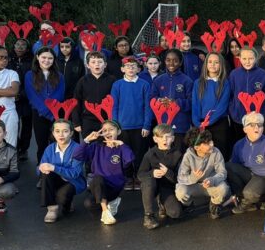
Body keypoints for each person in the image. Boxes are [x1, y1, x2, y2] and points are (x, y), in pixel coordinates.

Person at [75, 118, 135, 225]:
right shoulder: (96, 147)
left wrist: (121, 144)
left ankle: (108, 207)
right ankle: (106, 210)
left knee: (98, 180)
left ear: (119, 132)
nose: (107, 132)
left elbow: (130, 159)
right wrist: (87, 140)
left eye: (111, 129)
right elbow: (77, 155)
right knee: (89, 203)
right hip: (98, 186)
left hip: (114, 188)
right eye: (104, 130)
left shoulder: (121, 148)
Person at [111, 56, 154, 190]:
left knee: (139, 154)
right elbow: (114, 106)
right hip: (122, 127)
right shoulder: (117, 85)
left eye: (133, 66)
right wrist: (115, 126)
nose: (130, 68)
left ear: (139, 69)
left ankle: (139, 176)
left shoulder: (144, 84)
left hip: (140, 126)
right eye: (128, 66)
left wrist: (147, 125)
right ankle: (128, 177)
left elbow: (148, 106)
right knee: (125, 153)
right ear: (122, 69)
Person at [176, 124, 231, 220]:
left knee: (223, 188)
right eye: (207, 143)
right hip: (195, 186)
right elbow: (181, 177)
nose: (212, 144)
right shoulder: (188, 156)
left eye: (211, 141)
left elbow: (222, 172)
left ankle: (214, 204)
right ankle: (189, 204)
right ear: (197, 147)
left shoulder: (216, 152)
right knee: (180, 192)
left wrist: (212, 180)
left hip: (210, 184)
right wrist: (193, 177)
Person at [36, 117, 85, 223]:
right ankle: (52, 208)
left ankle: (67, 202)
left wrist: (54, 167)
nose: (61, 135)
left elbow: (75, 173)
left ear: (71, 133)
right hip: (55, 180)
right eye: (57, 131)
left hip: (73, 181)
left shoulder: (77, 149)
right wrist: (41, 168)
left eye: (65, 131)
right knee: (45, 173)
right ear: (53, 133)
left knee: (62, 197)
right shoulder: (49, 148)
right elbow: (39, 169)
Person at [138, 122, 184, 230]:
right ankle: (148, 216)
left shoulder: (177, 154)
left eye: (168, 137)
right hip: (151, 186)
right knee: (149, 181)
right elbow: (140, 174)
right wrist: (152, 173)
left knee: (175, 213)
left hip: (167, 187)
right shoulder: (150, 154)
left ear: (172, 138)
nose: (164, 140)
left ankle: (162, 203)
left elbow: (180, 178)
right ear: (155, 139)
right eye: (161, 137)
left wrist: (167, 172)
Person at [23, 47, 65, 164]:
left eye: (50, 58)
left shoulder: (59, 76)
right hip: (39, 114)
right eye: (44, 57)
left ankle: (56, 170)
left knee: (56, 144)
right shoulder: (29, 75)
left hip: (55, 114)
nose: (47, 60)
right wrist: (45, 111)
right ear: (37, 57)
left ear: (54, 60)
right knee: (41, 144)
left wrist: (51, 111)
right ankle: (42, 171)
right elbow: (32, 96)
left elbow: (60, 95)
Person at [227, 112, 265, 213]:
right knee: (228, 167)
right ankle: (248, 200)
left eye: (260, 124)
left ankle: (254, 201)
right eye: (252, 125)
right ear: (245, 129)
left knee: (250, 192)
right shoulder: (239, 145)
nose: (256, 127)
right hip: (251, 174)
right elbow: (235, 165)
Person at [226, 47, 265, 144]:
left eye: (250, 58)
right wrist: (232, 110)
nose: (247, 62)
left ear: (255, 58)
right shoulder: (234, 74)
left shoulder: (263, 74)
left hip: (258, 118)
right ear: (240, 58)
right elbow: (229, 94)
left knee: (258, 143)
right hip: (238, 117)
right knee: (240, 143)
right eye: (244, 59)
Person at [192, 52, 232, 156]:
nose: (212, 65)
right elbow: (195, 104)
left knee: (219, 153)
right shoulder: (198, 83)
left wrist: (209, 121)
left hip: (218, 123)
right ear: (205, 64)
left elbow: (222, 106)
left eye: (216, 62)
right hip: (201, 124)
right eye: (210, 62)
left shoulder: (225, 83)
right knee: (202, 154)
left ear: (221, 65)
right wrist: (197, 122)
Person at [71, 51, 116, 138]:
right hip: (88, 120)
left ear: (105, 64)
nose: (97, 64)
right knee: (90, 145)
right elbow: (76, 101)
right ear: (88, 65)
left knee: (106, 145)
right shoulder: (82, 81)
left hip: (108, 120)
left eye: (100, 62)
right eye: (93, 62)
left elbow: (116, 100)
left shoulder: (112, 80)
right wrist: (76, 122)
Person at [153, 49, 195, 136]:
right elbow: (151, 98)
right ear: (164, 61)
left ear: (180, 63)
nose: (171, 63)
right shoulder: (158, 80)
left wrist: (176, 102)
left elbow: (192, 102)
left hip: (181, 125)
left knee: (179, 149)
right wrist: (159, 100)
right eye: (168, 60)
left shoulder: (187, 81)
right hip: (162, 125)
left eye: (175, 61)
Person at [6, 39, 33, 160]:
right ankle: (15, 147)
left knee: (27, 125)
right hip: (12, 97)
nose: (20, 47)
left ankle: (24, 149)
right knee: (13, 124)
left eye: (23, 45)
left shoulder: (32, 61)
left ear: (27, 48)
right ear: (14, 46)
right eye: (17, 44)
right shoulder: (8, 61)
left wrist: (21, 94)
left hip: (27, 97)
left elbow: (32, 80)